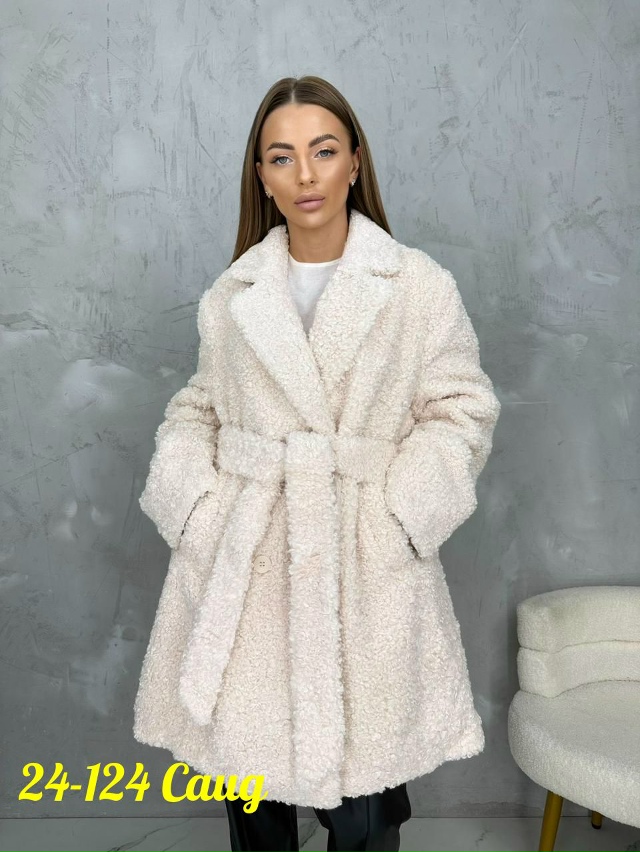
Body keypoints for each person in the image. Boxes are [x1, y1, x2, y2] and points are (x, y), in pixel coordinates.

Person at [133, 75, 501, 852]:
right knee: (252, 801)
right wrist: (195, 510)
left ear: (355, 162)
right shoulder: (233, 293)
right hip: (249, 566)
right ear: (262, 177)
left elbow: (462, 411)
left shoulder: (416, 286)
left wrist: (400, 516)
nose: (305, 174)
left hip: (361, 567)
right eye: (282, 156)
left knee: (365, 812)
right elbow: (198, 407)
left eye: (324, 151)